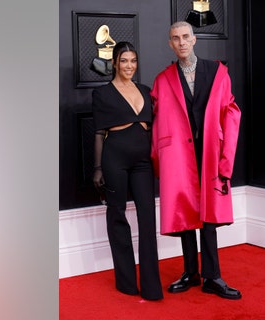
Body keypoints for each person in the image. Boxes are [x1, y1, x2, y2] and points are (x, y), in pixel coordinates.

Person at [150, 21, 242, 300]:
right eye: (175, 38)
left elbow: (230, 113)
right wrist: (159, 160)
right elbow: (156, 121)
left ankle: (212, 276)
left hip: (210, 151)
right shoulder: (163, 79)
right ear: (170, 43)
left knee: (209, 214)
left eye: (185, 37)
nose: (181, 42)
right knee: (185, 212)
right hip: (179, 153)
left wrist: (226, 158)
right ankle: (190, 272)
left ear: (194, 39)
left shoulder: (217, 72)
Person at [91, 41, 163, 301]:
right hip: (114, 158)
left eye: (133, 61)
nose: (129, 66)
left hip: (143, 160)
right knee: (117, 214)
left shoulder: (145, 90)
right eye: (124, 61)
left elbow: (156, 126)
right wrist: (97, 168)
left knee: (147, 217)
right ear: (114, 63)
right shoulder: (102, 93)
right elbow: (99, 133)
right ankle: (126, 282)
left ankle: (151, 285)